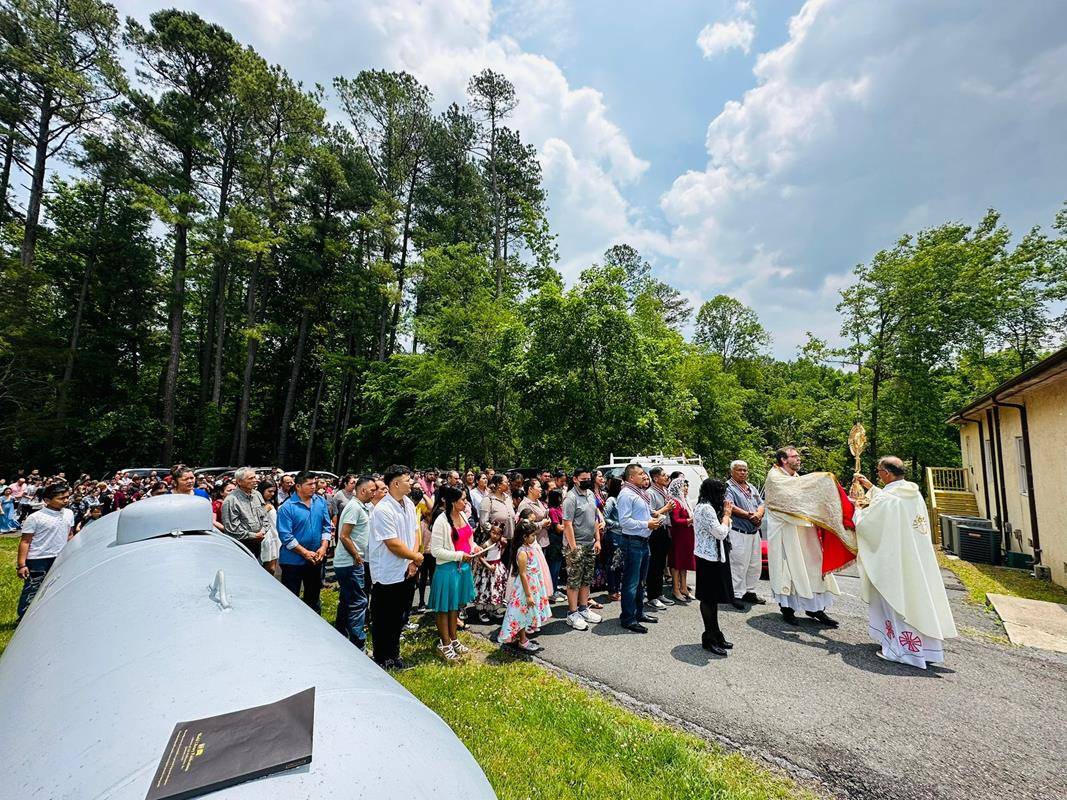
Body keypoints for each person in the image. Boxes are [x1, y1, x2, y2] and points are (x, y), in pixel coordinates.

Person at [854, 457, 958, 668]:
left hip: (896, 561)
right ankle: (925, 649)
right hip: (916, 559)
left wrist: (857, 509)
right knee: (917, 600)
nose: (878, 474)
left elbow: (867, 525)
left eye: (879, 471)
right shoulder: (913, 494)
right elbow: (890, 503)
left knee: (898, 599)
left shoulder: (889, 499)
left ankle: (903, 652)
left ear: (887, 474)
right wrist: (871, 488)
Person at [764, 446, 843, 627]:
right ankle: (788, 609)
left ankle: (815, 609)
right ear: (784, 460)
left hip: (805, 531)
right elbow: (788, 500)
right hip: (786, 532)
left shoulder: (796, 479)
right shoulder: (775, 477)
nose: (798, 459)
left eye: (798, 456)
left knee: (812, 568)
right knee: (789, 570)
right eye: (794, 456)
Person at [369, 465, 423, 670]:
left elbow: (415, 531)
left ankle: (394, 654)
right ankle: (383, 658)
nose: (411, 483)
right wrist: (415, 556)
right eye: (407, 479)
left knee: (400, 615)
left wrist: (413, 560)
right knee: (385, 617)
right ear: (396, 483)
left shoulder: (408, 503)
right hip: (388, 573)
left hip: (408, 569)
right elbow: (392, 543)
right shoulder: (383, 509)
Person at [428, 485, 478, 661]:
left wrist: (474, 547)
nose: (466, 502)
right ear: (453, 502)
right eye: (463, 499)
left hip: (462, 569)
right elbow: (435, 551)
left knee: (455, 607)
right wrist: (459, 555)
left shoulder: (463, 515)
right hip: (447, 570)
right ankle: (445, 643)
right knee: (444, 608)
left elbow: (468, 538)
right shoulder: (441, 521)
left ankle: (454, 639)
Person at [275, 471, 332, 611]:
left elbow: (326, 526)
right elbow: (286, 536)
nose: (314, 487)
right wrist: (305, 553)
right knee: (291, 599)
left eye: (314, 483)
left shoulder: (320, 502)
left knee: (313, 598)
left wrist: (323, 547)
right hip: (293, 561)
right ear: (298, 486)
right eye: (309, 484)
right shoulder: (287, 507)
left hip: (316, 558)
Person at [16, 482, 73, 620]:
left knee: (56, 587)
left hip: (60, 556)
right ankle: (24, 618)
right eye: (61, 498)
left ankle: (48, 615)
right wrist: (22, 565)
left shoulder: (69, 513)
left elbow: (69, 535)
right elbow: (25, 541)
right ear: (47, 500)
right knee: (33, 588)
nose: (66, 501)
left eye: (67, 497)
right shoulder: (35, 517)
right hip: (38, 559)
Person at [616, 464, 663, 633]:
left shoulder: (639, 492)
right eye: (641, 474)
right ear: (631, 478)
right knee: (631, 582)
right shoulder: (626, 495)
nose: (644, 476)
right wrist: (647, 523)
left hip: (643, 541)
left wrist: (654, 515)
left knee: (641, 581)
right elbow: (624, 521)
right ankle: (628, 618)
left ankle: (638, 613)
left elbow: (642, 512)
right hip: (632, 542)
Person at [692, 479, 736, 656]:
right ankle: (709, 637)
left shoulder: (710, 506)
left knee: (714, 598)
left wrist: (725, 517)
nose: (723, 497)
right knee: (708, 598)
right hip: (707, 558)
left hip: (716, 556)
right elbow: (720, 532)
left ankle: (716, 633)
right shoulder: (706, 508)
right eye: (721, 493)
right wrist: (726, 515)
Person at [334, 475, 375, 650]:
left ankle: (340, 635)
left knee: (347, 599)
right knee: (359, 602)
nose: (374, 493)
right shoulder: (354, 508)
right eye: (372, 489)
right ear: (363, 490)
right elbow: (344, 535)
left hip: (350, 562)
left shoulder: (361, 507)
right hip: (350, 562)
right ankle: (358, 644)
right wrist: (357, 556)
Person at [497, 519, 551, 652]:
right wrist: (528, 595)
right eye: (532, 535)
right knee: (520, 614)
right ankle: (522, 640)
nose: (534, 537)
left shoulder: (529, 547)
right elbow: (522, 574)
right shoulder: (522, 552)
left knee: (524, 613)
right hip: (524, 588)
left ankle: (522, 638)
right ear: (524, 537)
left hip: (532, 585)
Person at [561, 468, 602, 630]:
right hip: (575, 546)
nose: (587, 481)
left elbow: (594, 518)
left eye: (588, 478)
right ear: (575, 479)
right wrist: (573, 548)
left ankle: (584, 608)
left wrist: (597, 540)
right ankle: (572, 613)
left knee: (586, 578)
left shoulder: (591, 494)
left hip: (590, 544)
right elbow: (567, 524)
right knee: (574, 581)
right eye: (583, 478)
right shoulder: (570, 498)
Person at [725, 460, 766, 608]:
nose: (743, 472)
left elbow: (761, 503)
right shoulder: (728, 487)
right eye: (739, 470)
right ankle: (735, 594)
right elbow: (730, 506)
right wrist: (750, 516)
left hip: (754, 532)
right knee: (738, 564)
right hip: (738, 531)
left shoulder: (751, 487)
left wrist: (758, 515)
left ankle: (750, 591)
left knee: (754, 564)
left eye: (745, 470)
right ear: (732, 472)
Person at [220, 467, 269, 561]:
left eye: (255, 477)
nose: (255, 480)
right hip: (241, 545)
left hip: (258, 543)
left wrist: (263, 531)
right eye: (251, 478)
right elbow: (232, 529)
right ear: (239, 481)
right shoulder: (231, 500)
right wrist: (254, 535)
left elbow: (264, 517)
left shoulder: (257, 494)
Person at [645, 466, 676, 610]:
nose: (667, 477)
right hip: (655, 531)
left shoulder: (665, 491)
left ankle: (659, 593)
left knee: (661, 564)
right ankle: (652, 596)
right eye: (663, 475)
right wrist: (666, 508)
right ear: (655, 478)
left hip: (665, 530)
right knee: (654, 565)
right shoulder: (650, 493)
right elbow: (650, 514)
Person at [667, 477, 696, 603]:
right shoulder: (675, 501)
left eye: (686, 486)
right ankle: (675, 589)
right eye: (683, 486)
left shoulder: (685, 501)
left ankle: (684, 587)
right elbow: (675, 520)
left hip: (688, 534)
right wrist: (689, 521)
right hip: (679, 535)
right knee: (677, 563)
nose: (686, 488)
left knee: (684, 562)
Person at [602, 477, 623, 601]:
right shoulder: (611, 500)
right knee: (612, 564)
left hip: (622, 535)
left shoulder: (621, 499)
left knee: (619, 564)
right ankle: (612, 590)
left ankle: (617, 588)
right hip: (614, 534)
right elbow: (605, 518)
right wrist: (618, 524)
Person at [544, 488, 566, 603]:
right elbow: (558, 528)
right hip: (554, 541)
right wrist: (566, 525)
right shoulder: (552, 510)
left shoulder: (559, 508)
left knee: (558, 567)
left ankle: (555, 588)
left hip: (560, 541)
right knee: (553, 567)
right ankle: (551, 591)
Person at [479, 474, 515, 541]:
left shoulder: (508, 498)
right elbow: (484, 522)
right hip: (496, 543)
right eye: (506, 482)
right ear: (499, 484)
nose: (508, 483)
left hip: (510, 540)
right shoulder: (488, 500)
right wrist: (496, 535)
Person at [257, 479, 281, 574]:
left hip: (274, 535)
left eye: (274, 491)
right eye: (269, 491)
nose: (272, 494)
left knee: (272, 567)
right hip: (266, 537)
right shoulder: (262, 504)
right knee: (268, 568)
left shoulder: (270, 502)